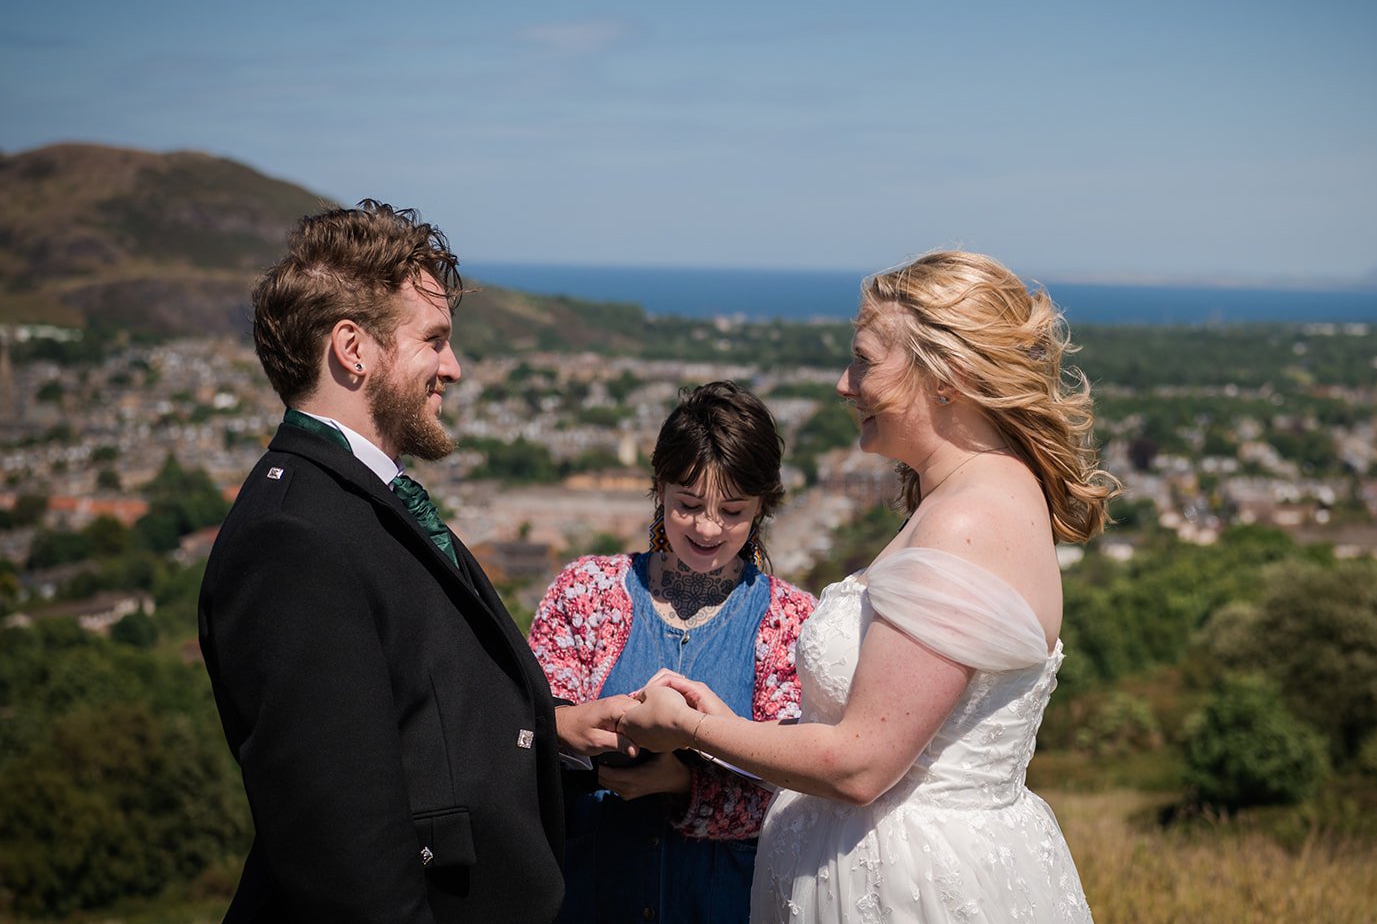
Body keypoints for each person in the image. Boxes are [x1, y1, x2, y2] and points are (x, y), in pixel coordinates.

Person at [620, 251, 1121, 923]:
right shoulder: (970, 498)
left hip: (914, 892)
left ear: (947, 376)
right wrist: (722, 720)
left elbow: (861, 764)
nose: (843, 383)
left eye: (863, 359)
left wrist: (691, 728)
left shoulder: (967, 519)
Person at [199, 200, 632, 924]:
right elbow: (344, 852)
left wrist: (560, 731)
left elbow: (415, 715)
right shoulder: (293, 538)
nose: (453, 368)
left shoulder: (364, 501)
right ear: (353, 348)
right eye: (434, 341)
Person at [527, 381, 816, 924]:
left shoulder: (793, 623)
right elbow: (518, 729)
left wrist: (685, 785)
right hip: (588, 892)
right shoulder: (586, 591)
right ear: (658, 487)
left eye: (733, 511)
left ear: (763, 507)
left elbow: (799, 800)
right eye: (687, 505)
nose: (708, 528)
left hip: (724, 901)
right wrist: (571, 726)